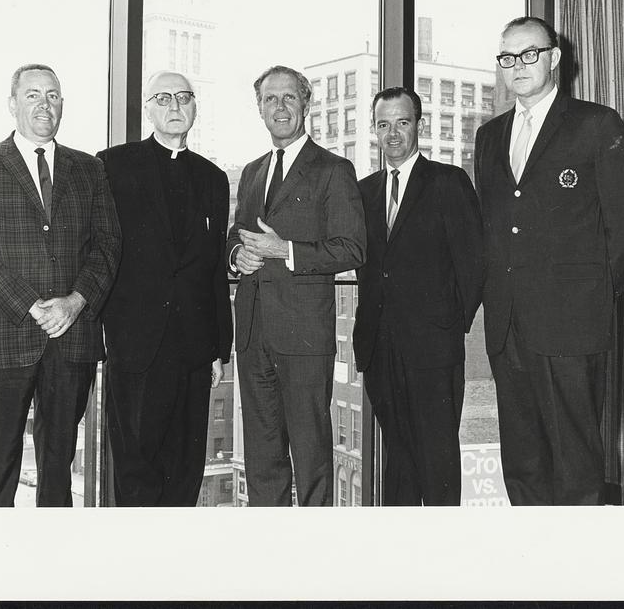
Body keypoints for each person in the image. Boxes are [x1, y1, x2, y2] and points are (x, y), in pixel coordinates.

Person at [474, 16, 624, 505]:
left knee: (575, 462)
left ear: (554, 58)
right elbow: (493, 227)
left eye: (530, 54)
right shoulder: (489, 137)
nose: (518, 65)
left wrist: (590, 298)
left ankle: (579, 572)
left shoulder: (596, 124)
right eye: (508, 57)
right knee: (522, 460)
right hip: (507, 324)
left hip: (572, 324)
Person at [0, 64, 121, 507]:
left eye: (53, 95)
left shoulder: (90, 168)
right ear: (12, 104)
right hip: (1, 339)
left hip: (72, 339)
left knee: (59, 474)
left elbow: (108, 245)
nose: (44, 104)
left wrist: (75, 303)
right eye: (32, 95)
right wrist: (31, 305)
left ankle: (53, 569)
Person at [227, 65, 366, 506]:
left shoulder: (333, 169)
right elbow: (237, 234)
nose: (280, 107)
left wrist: (283, 250)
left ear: (306, 104)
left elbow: (351, 249)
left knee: (311, 459)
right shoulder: (251, 172)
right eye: (270, 99)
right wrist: (238, 254)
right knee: (262, 457)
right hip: (253, 335)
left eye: (289, 98)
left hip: (304, 336)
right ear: (260, 109)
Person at [97, 71, 232, 506]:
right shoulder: (113, 165)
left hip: (193, 349)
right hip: (136, 346)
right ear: (147, 108)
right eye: (164, 98)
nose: (175, 106)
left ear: (195, 107)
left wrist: (219, 347)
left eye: (185, 97)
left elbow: (213, 269)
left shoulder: (213, 178)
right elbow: (98, 250)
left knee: (186, 473)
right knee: (136, 470)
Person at [353, 87, 483, 506]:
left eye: (402, 122)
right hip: (379, 349)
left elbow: (474, 265)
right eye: (384, 124)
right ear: (374, 129)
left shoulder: (448, 182)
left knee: (438, 463)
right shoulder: (363, 191)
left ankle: (443, 561)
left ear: (419, 125)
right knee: (399, 464)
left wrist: (446, 326)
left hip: (433, 350)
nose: (393, 133)